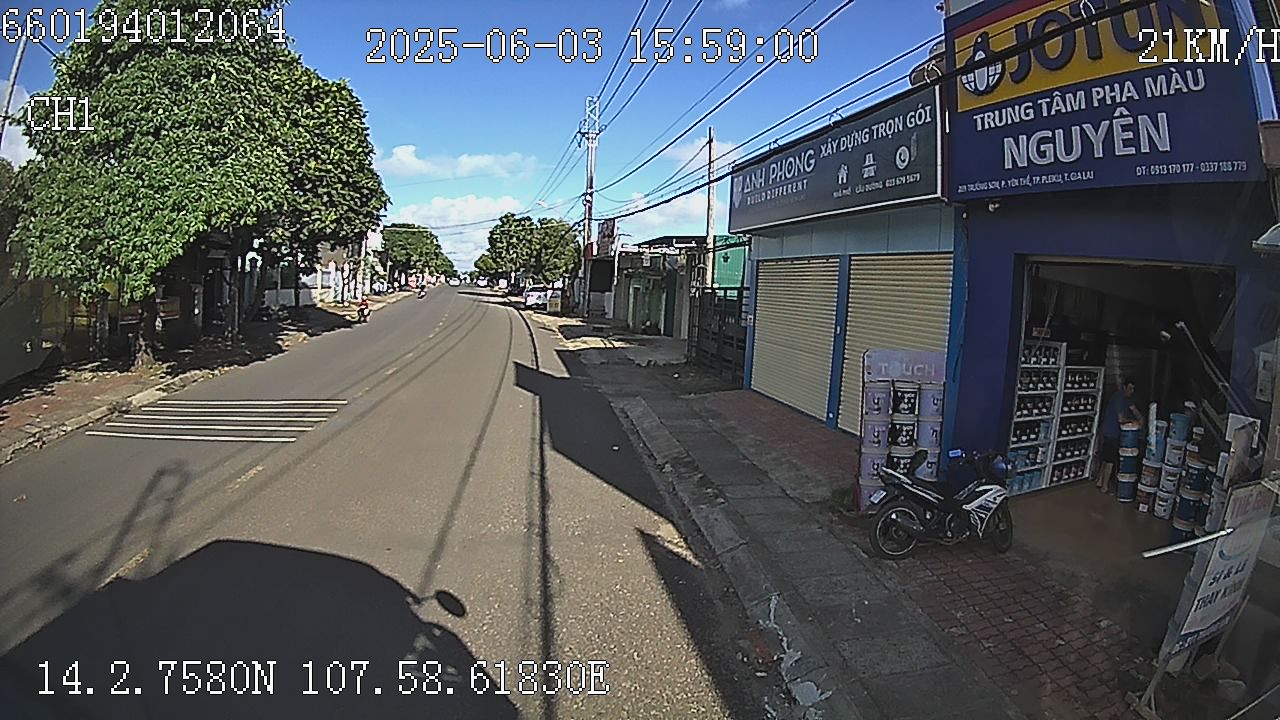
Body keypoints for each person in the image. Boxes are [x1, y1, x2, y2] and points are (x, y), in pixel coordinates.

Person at [1097, 377, 1144, 494]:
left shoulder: (1128, 399)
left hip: (1113, 432)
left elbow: (1135, 410)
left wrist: (1141, 419)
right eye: (1129, 388)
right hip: (1111, 431)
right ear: (1124, 387)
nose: (1131, 391)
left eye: (1133, 389)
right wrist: (1134, 421)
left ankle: (1100, 481)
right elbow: (1121, 419)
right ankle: (1105, 486)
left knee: (1106, 457)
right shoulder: (1119, 398)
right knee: (1110, 460)